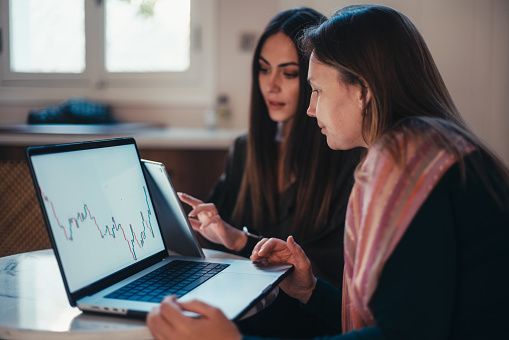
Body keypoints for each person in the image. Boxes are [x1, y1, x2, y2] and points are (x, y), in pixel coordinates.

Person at [147, 4, 509, 340]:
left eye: (317, 89)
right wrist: (310, 290)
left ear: (363, 91)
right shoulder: (424, 146)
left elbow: (404, 334)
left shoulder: (404, 160)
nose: (310, 108)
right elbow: (397, 317)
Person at [177, 7, 361, 338]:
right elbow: (218, 245)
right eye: (263, 70)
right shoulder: (245, 150)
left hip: (306, 325)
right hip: (241, 313)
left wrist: (242, 241)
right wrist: (213, 229)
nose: (271, 85)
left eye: (289, 74)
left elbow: (328, 279)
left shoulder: (346, 158)